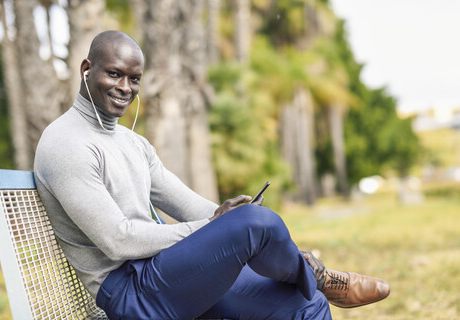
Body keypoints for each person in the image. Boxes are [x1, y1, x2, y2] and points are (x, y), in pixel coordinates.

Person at [34, 30, 389, 320]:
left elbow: (188, 205)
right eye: (114, 74)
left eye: (134, 78)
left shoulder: (132, 142)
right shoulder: (66, 143)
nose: (125, 88)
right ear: (86, 68)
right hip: (132, 294)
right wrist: (219, 227)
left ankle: (313, 281)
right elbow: (118, 241)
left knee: (307, 305)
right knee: (257, 224)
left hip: (167, 275)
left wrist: (222, 218)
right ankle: (318, 275)